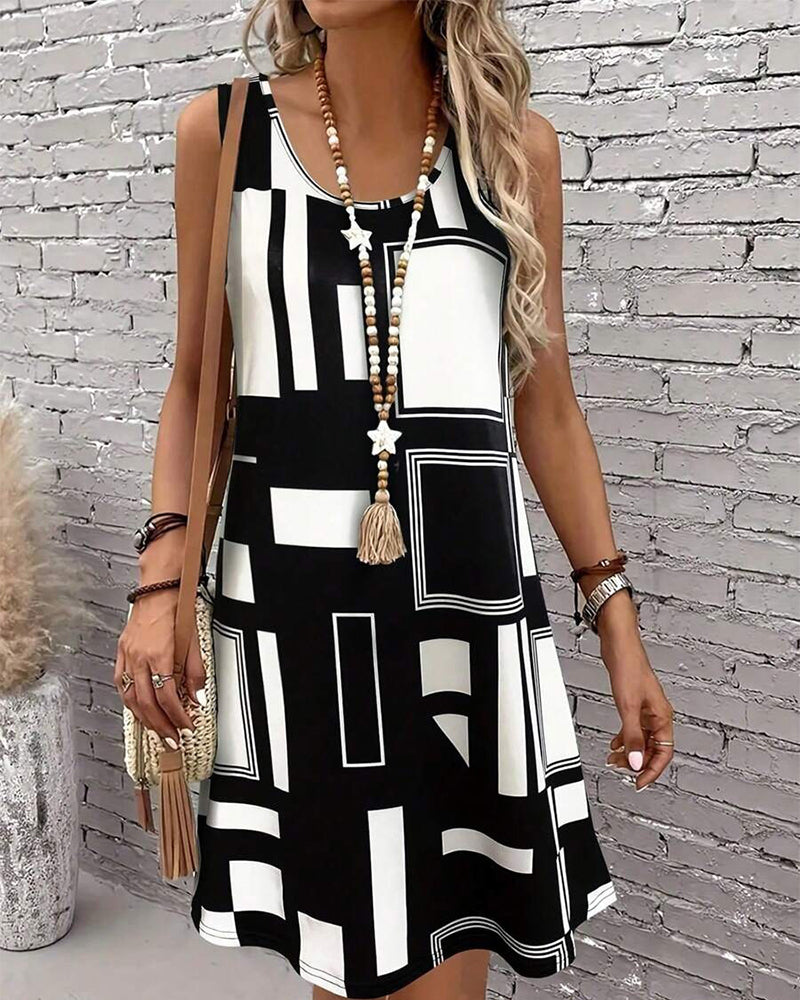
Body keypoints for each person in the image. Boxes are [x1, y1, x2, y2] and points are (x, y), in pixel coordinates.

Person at [115, 2, 675, 998]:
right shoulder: (226, 134)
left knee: (449, 941)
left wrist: (615, 619)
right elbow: (197, 384)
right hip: (299, 612)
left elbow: (545, 407)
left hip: (460, 611)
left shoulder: (512, 150)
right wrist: (162, 584)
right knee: (344, 945)